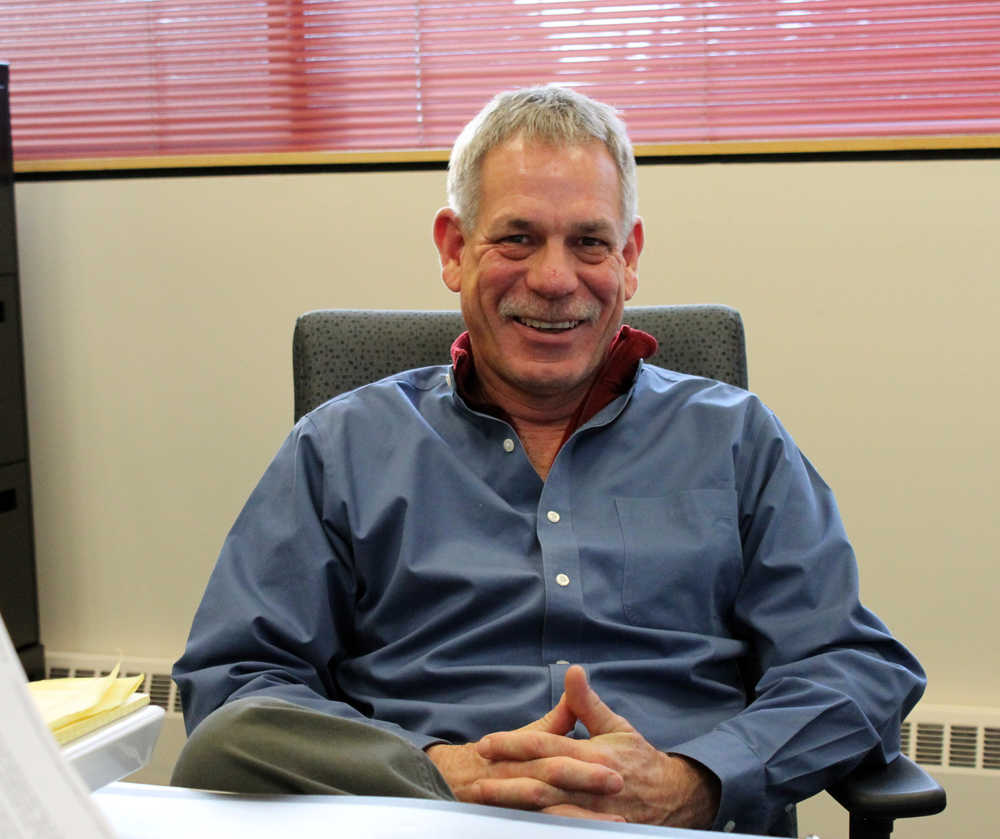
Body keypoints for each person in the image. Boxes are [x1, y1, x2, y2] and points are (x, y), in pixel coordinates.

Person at [171, 85, 924, 836]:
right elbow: (237, 688)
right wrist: (433, 771)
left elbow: (854, 667)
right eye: (518, 238)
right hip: (422, 821)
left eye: (589, 242)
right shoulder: (340, 447)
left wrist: (697, 780)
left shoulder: (735, 439)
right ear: (454, 249)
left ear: (628, 259)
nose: (555, 280)